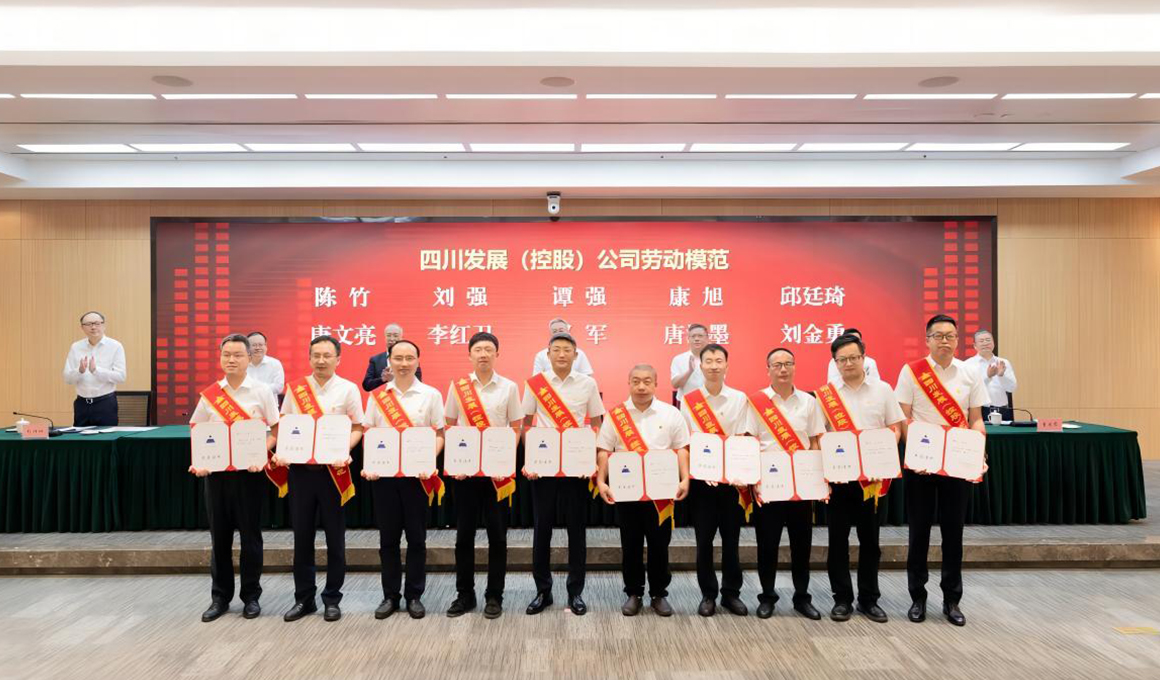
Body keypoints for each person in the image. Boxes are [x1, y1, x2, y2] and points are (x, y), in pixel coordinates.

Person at [895, 314, 989, 627]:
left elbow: (975, 418)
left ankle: (952, 599)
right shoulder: (912, 371)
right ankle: (917, 597)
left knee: (953, 532)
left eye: (950, 335)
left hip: (957, 465)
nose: (944, 341)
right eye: (938, 336)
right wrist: (918, 452)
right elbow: (903, 417)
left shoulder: (970, 373)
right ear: (927, 340)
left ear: (958, 340)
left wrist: (978, 447)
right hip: (921, 465)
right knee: (918, 532)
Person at [188, 334, 280, 622]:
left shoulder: (262, 391)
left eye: (238, 355)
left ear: (249, 358)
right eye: (226, 355)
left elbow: (276, 431)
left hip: (249, 475)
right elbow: (197, 429)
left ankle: (251, 597)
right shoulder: (211, 394)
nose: (231, 360)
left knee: (251, 538)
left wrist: (260, 453)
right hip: (217, 477)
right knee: (220, 540)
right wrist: (201, 461)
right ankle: (220, 598)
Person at [273, 335, 364, 623]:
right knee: (302, 538)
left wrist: (344, 450)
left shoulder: (348, 389)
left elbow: (358, 427)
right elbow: (286, 425)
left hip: (333, 473)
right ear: (309, 358)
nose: (321, 361)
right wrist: (283, 451)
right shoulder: (296, 389)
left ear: (338, 359)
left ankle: (332, 599)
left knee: (335, 539)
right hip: (301, 473)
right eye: (316, 355)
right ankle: (304, 599)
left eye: (327, 355)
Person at [814, 334, 905, 624]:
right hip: (839, 480)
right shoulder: (825, 395)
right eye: (842, 359)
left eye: (854, 357)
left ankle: (869, 599)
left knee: (870, 541)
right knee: (837, 540)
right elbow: (819, 435)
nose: (849, 363)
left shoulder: (883, 389)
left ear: (864, 358)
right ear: (835, 363)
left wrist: (882, 456)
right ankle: (842, 599)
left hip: (872, 481)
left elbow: (896, 428)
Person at [596, 364, 690, 617]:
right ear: (628, 383)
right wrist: (601, 480)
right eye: (636, 381)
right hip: (627, 490)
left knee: (660, 544)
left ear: (656, 384)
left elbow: (682, 448)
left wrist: (685, 478)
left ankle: (659, 593)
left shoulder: (671, 414)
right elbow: (604, 450)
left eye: (647, 381)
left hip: (661, 493)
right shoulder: (616, 415)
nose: (641, 386)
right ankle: (633, 593)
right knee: (631, 543)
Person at [362, 339, 445, 620]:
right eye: (398, 358)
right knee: (388, 540)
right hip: (384, 478)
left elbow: (439, 434)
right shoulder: (378, 396)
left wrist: (428, 461)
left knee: (417, 540)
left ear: (418, 361)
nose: (404, 363)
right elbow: (369, 433)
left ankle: (414, 595)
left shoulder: (431, 395)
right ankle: (390, 595)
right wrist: (370, 464)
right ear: (389, 362)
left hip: (416, 478)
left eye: (410, 358)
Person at [442, 332, 523, 619]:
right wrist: (455, 462)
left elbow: (516, 427)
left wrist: (504, 461)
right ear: (470, 355)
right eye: (478, 350)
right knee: (463, 536)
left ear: (497, 354)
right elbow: (449, 425)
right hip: (465, 474)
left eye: (489, 349)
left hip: (496, 475)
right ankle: (465, 594)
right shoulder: (458, 387)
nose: (484, 354)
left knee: (497, 537)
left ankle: (494, 595)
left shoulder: (509, 387)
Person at [522, 332, 604, 616]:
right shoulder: (535, 384)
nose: (561, 354)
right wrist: (530, 458)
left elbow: (597, 422)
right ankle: (542, 591)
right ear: (547, 354)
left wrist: (589, 458)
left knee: (576, 532)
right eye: (555, 349)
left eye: (566, 350)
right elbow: (526, 423)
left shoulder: (587, 383)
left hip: (575, 469)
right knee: (541, 530)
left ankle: (575, 592)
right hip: (543, 467)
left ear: (575, 355)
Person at [746, 347, 825, 621]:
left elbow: (815, 441)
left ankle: (802, 597)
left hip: (801, 485)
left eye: (788, 363)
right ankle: (767, 597)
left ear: (794, 367)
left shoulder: (809, 402)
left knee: (801, 544)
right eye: (777, 364)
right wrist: (755, 479)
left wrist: (816, 478)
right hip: (768, 484)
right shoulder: (756, 402)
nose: (783, 369)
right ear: (767, 369)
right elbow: (749, 442)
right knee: (767, 544)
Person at [680, 343, 752, 617]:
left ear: (726, 365)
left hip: (733, 482)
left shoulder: (739, 398)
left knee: (732, 540)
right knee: (704, 541)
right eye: (708, 361)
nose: (713, 365)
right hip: (702, 481)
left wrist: (740, 473)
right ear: (700, 366)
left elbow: (742, 438)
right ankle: (708, 594)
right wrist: (700, 471)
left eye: (718, 360)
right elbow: (687, 442)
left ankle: (731, 594)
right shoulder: (690, 400)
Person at [63, 311, 126, 426]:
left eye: (97, 323)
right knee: (79, 436)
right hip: (81, 403)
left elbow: (121, 377)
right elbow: (68, 379)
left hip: (105, 403)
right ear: (82, 327)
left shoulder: (115, 346)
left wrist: (96, 371)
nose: (93, 327)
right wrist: (79, 371)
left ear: (104, 325)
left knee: (107, 436)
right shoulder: (76, 347)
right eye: (88, 324)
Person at [965, 329, 1017, 421]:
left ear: (993, 343)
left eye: (988, 340)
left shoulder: (1004, 362)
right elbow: (969, 390)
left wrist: (1001, 376)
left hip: (1003, 410)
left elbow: (1012, 388)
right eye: (981, 341)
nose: (985, 343)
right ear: (975, 346)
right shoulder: (968, 364)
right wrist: (987, 377)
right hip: (979, 411)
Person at [362, 323, 422, 391]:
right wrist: (383, 379)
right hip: (383, 396)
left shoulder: (410, 359)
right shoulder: (376, 360)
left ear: (401, 338)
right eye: (388, 335)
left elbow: (418, 383)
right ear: (385, 337)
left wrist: (395, 379)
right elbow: (367, 386)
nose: (392, 339)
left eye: (395, 336)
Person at [669, 323, 709, 403]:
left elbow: (720, 382)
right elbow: (675, 384)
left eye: (700, 336)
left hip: (709, 402)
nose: (696, 339)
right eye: (693, 336)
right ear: (688, 339)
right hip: (686, 403)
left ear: (707, 338)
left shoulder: (714, 359)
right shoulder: (679, 359)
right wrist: (689, 371)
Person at [245, 331, 285, 397]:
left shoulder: (275, 363)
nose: (257, 348)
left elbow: (279, 387)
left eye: (260, 345)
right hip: (246, 402)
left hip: (268, 403)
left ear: (266, 346)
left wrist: (257, 390)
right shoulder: (241, 364)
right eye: (254, 345)